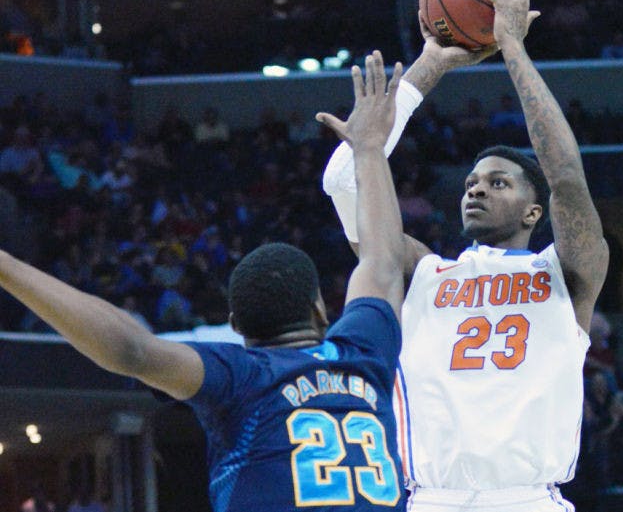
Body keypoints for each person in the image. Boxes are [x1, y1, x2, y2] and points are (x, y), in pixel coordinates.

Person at [0, 52, 408, 511]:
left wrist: (8, 267)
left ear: (236, 324)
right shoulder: (363, 350)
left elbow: (131, 351)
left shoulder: (242, 375)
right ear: (320, 307)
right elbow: (383, 259)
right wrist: (370, 148)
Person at [319, 0, 608, 512]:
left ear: (533, 212)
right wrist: (431, 64)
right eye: (473, 181)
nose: (476, 189)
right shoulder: (422, 270)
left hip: (528, 500)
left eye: (499, 183)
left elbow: (567, 178)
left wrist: (514, 50)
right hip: (432, 499)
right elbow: (344, 183)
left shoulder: (565, 273)